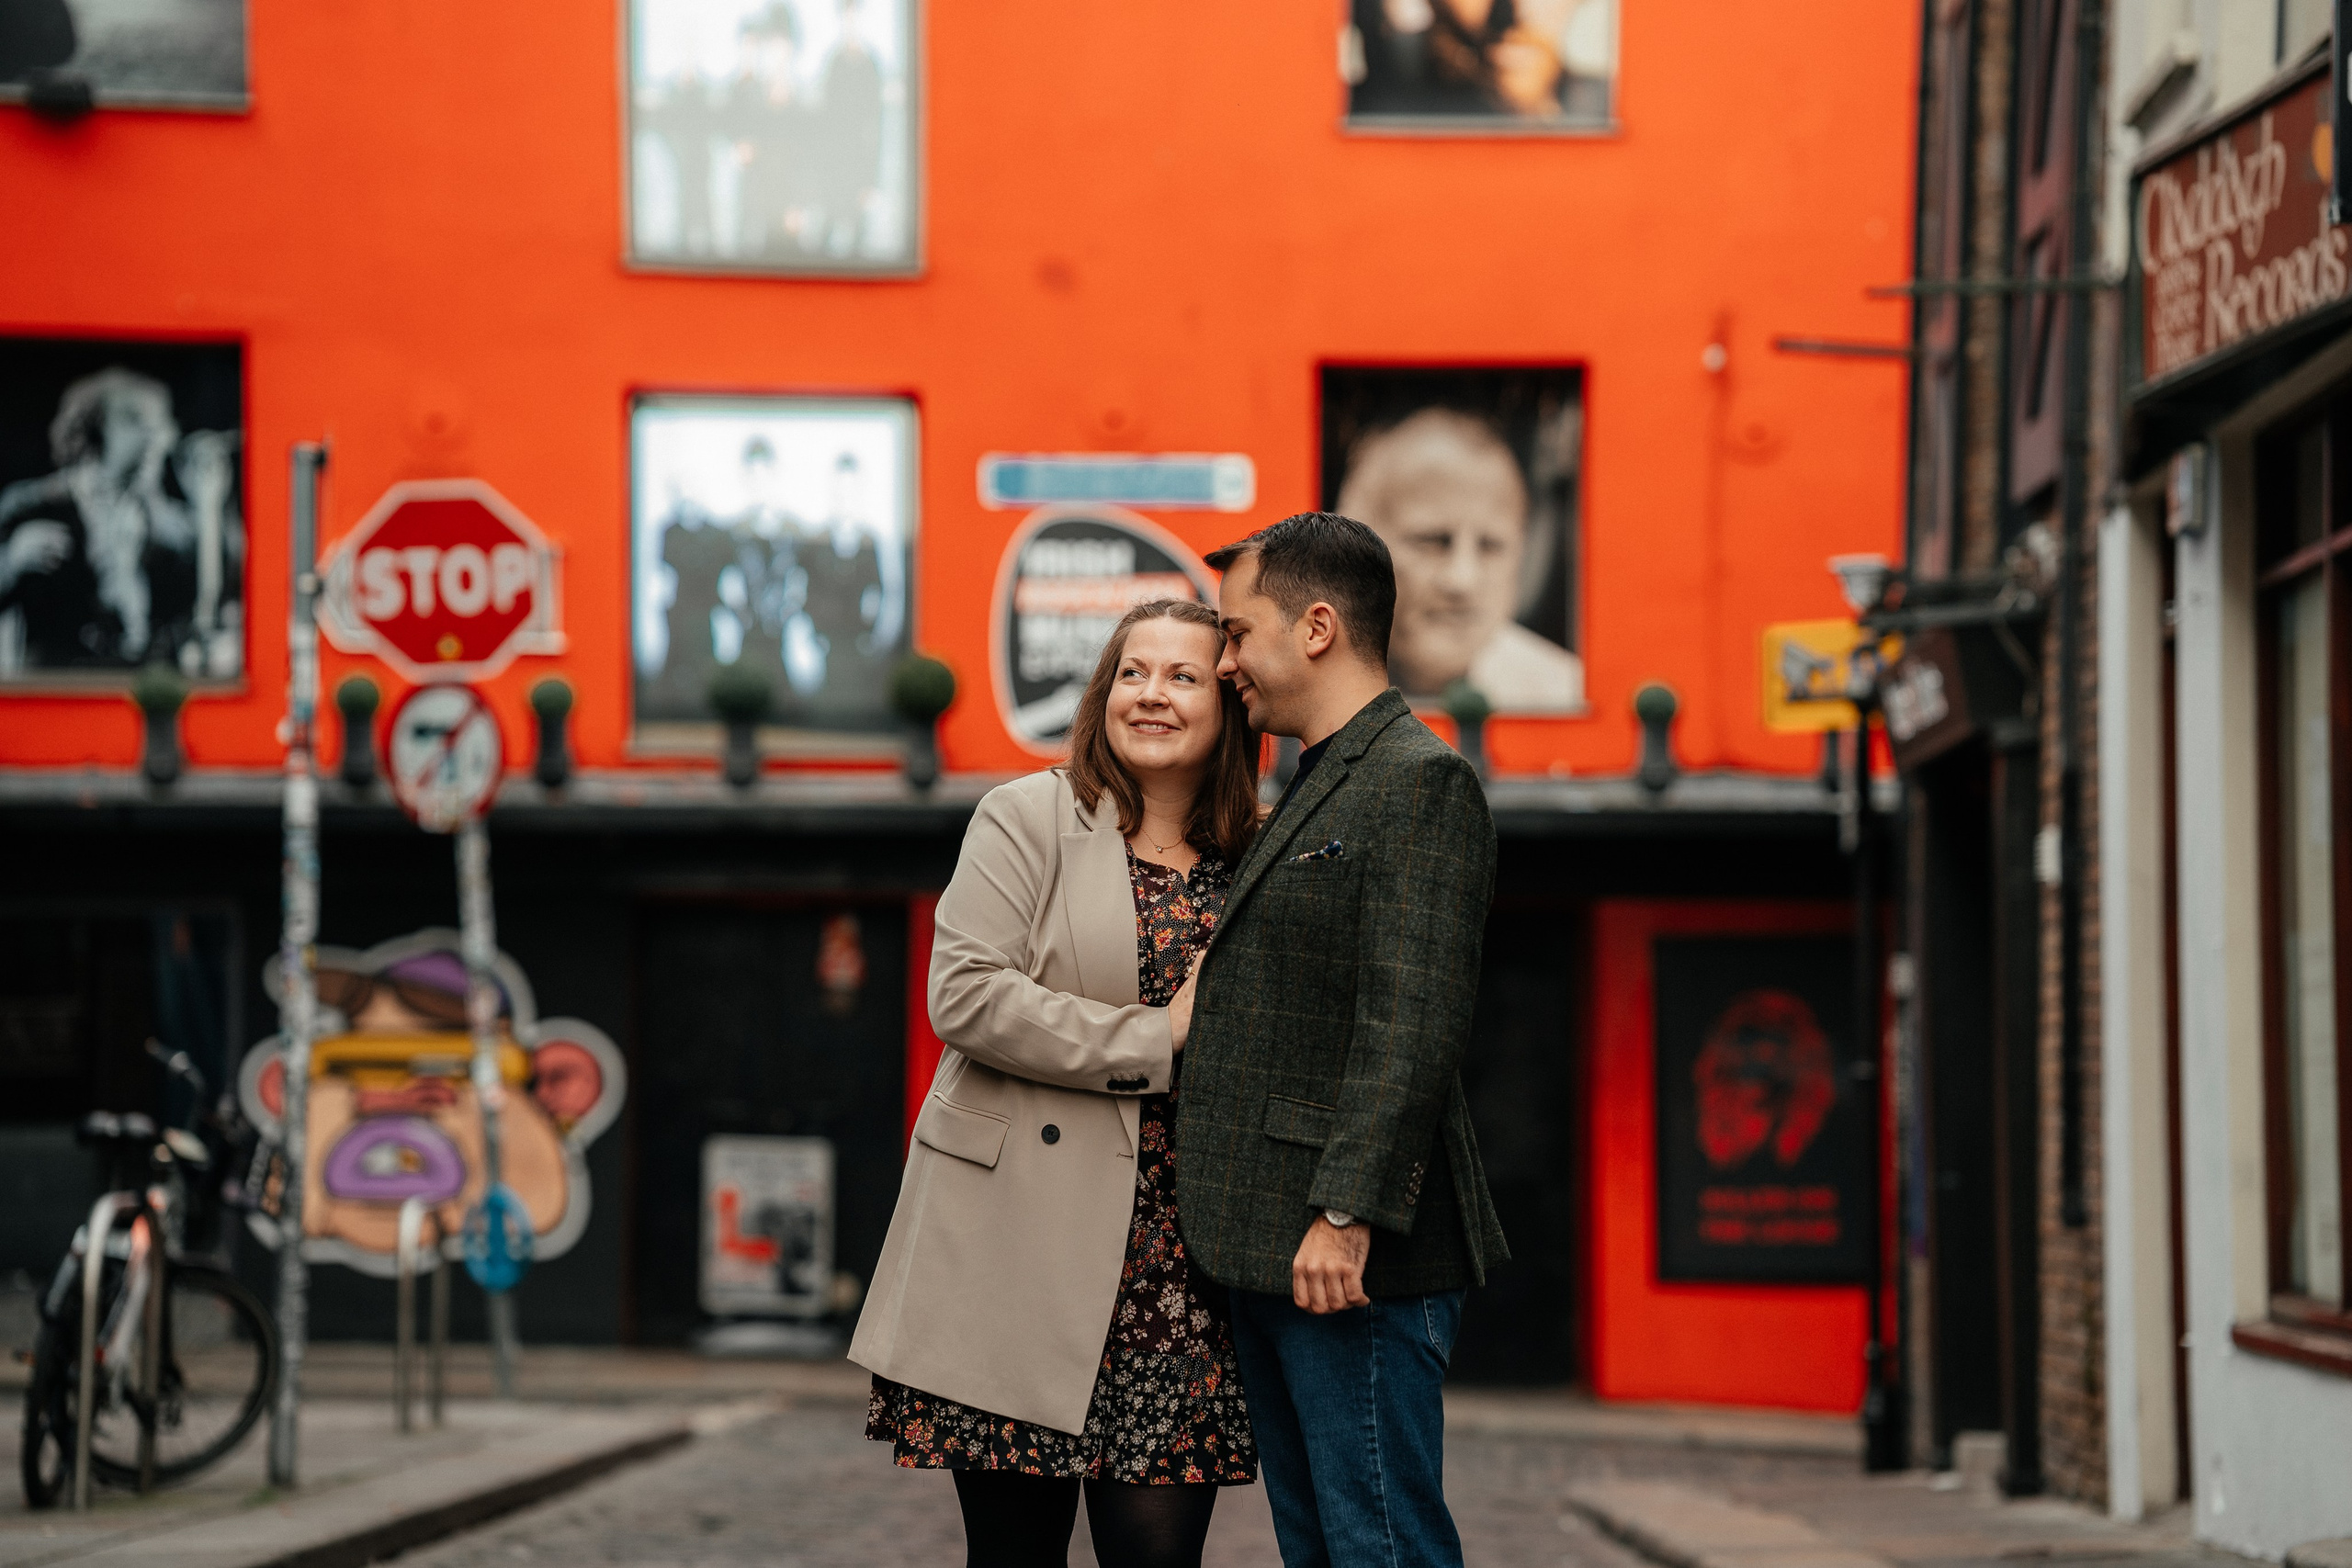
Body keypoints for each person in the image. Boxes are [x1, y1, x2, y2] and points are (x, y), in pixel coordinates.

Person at [853, 598, 1263, 1568]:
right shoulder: (1027, 815)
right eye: (1132, 672)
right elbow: (964, 995)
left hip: (1178, 1269)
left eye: (1182, 676)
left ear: (1229, 707)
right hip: (1015, 1246)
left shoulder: (1259, 852)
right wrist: (1153, 1038)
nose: (1150, 694)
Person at [1169, 511, 1508, 1568]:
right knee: (1321, 1545)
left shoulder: (1418, 779)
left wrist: (1345, 1212)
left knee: (1382, 1547)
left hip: (1345, 1259)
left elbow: (1410, 1019)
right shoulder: (1312, 777)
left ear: (1316, 627)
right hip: (1274, 1248)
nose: (1225, 665)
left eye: (1237, 634)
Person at [1336, 406, 1584, 712]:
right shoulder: (1301, 689)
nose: (1462, 580)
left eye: (1491, 546)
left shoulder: (1561, 693)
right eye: (1432, 541)